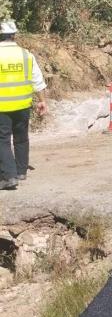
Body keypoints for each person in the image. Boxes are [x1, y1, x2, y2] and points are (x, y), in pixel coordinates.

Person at [0, 20, 48, 190]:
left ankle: (9, 176)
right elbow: (37, 80)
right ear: (14, 35)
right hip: (23, 105)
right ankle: (21, 171)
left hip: (2, 107)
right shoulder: (26, 55)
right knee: (21, 138)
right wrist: (42, 100)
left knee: (2, 140)